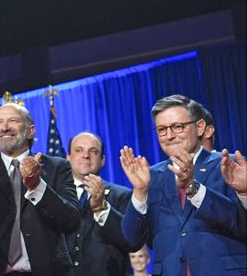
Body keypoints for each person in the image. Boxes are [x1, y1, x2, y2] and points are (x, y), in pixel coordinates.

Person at [120, 94, 245, 275]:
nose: (169, 135)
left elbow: (241, 224)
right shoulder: (151, 176)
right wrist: (140, 192)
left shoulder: (229, 166)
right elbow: (132, 241)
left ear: (200, 127)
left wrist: (193, 188)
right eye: (162, 130)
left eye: (178, 127)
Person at [0, 103, 79, 275]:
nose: (4, 128)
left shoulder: (57, 167)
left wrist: (37, 186)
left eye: (12, 121)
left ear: (30, 131)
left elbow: (71, 221)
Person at [65, 132, 134, 276]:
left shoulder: (122, 195)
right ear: (68, 157)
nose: (85, 155)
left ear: (102, 160)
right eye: (79, 150)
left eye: (93, 151)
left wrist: (101, 208)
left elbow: (130, 241)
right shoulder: (56, 195)